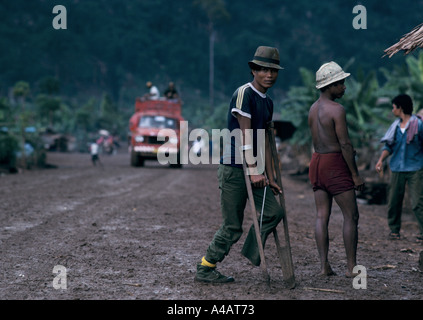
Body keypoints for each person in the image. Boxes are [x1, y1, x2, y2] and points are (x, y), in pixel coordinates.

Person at [195, 46, 284, 283]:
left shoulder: (268, 102)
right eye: (264, 70)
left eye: (273, 71)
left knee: (273, 212)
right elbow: (245, 137)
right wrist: (254, 170)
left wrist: (270, 175)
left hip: (256, 170)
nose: (269, 75)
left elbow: (264, 139)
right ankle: (205, 268)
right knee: (232, 227)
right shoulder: (244, 93)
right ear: (253, 70)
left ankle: (251, 251)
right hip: (235, 168)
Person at [308, 61, 365, 277]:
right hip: (334, 164)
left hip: (316, 162)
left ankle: (324, 266)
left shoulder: (313, 110)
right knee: (351, 215)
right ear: (330, 85)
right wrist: (355, 175)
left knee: (322, 215)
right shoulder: (337, 110)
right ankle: (351, 268)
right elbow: (345, 144)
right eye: (341, 83)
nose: (344, 87)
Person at [375, 94, 423, 241]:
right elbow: (389, 145)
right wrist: (381, 160)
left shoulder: (419, 125)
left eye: (394, 107)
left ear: (400, 108)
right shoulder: (395, 126)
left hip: (415, 167)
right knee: (394, 200)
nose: (392, 110)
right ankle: (394, 230)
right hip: (397, 167)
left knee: (417, 202)